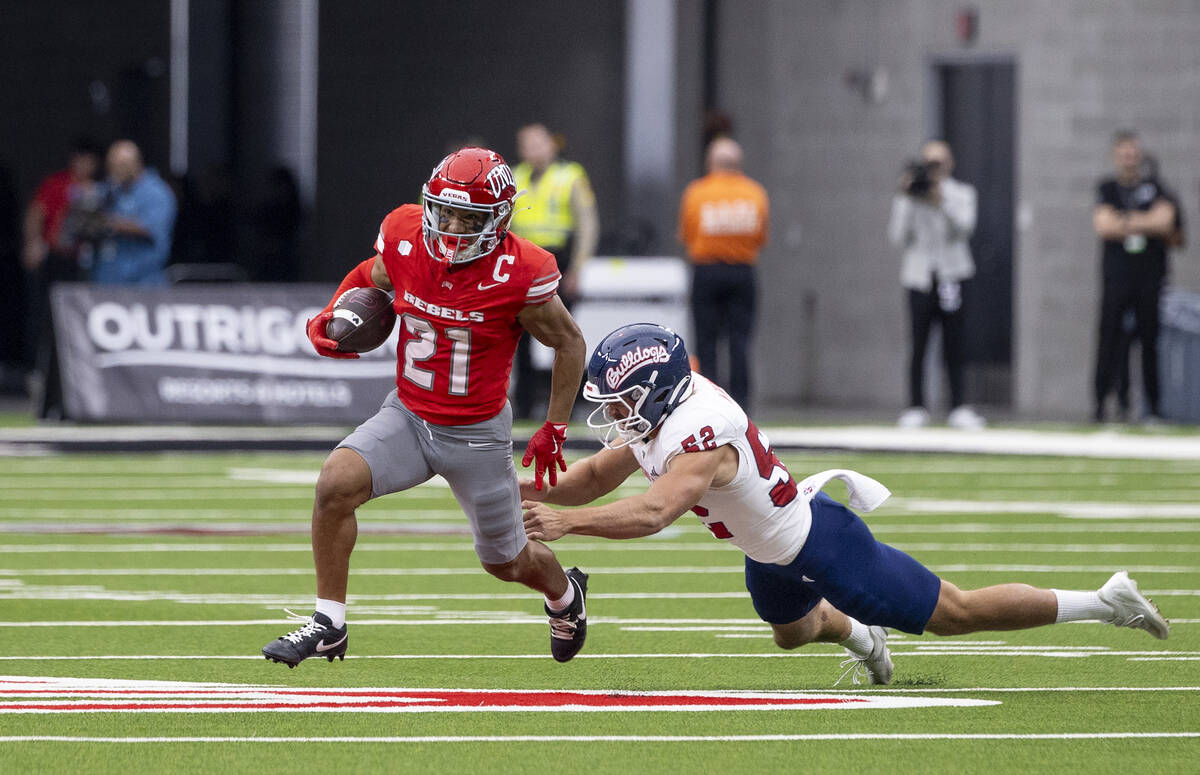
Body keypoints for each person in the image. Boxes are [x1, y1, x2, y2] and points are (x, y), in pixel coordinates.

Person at [521, 323, 1170, 686]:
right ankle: (863, 636)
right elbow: (597, 474)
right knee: (792, 632)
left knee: (956, 612)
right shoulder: (665, 416)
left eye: (620, 404)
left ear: (657, 392)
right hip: (768, 550)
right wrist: (511, 489)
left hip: (818, 541)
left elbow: (653, 512)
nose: (610, 418)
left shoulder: (701, 431)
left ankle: (1103, 599)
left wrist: (565, 523)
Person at [262, 147, 590, 668]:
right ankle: (329, 624)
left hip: (477, 434)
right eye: (447, 212)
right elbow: (373, 275)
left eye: (470, 217)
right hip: (409, 417)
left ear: (499, 219)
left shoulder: (521, 270)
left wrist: (554, 425)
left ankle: (565, 596)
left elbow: (570, 343)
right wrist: (331, 314)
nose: (455, 227)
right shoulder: (404, 234)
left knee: (507, 563)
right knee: (334, 486)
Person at [888, 140, 985, 430]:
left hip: (953, 274)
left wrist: (940, 202)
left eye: (938, 163)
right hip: (919, 277)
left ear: (949, 164)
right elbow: (897, 237)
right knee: (918, 342)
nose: (933, 170)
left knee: (956, 341)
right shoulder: (910, 196)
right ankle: (916, 405)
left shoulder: (961, 193)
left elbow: (965, 228)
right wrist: (907, 197)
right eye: (928, 163)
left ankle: (959, 406)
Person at [508, 123, 599, 419]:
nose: (532, 150)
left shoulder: (570, 176)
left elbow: (587, 225)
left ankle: (561, 408)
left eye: (538, 143)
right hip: (520, 262)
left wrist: (578, 267)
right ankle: (521, 408)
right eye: (526, 144)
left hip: (556, 261)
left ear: (552, 145)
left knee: (561, 336)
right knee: (515, 337)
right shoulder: (514, 176)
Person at [677, 137, 769, 411]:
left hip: (706, 271)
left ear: (712, 163)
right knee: (740, 341)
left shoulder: (697, 193)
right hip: (742, 271)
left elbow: (687, 235)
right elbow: (760, 237)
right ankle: (741, 403)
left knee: (706, 341)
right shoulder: (755, 193)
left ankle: (707, 404)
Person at [1096, 137, 1179, 423]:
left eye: (1133, 154)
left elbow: (1166, 222)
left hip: (1149, 278)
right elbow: (1104, 226)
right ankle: (1100, 404)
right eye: (1123, 154)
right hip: (1117, 278)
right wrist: (1146, 221)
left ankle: (1153, 407)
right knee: (1109, 340)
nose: (1129, 159)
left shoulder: (1156, 188)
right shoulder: (1108, 188)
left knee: (1149, 341)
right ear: (1115, 156)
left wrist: (1126, 221)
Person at [21, 138, 102, 418]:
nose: (83, 165)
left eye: (88, 160)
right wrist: (33, 243)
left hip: (89, 265)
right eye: (79, 159)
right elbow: (36, 212)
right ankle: (42, 384)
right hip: (58, 261)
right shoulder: (58, 184)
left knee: (81, 325)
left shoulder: (100, 190)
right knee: (50, 322)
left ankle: (77, 389)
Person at [85, 139, 177, 286]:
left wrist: (109, 223)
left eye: (121, 165)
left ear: (136, 164)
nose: (115, 170)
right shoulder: (109, 189)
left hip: (143, 280)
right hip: (107, 278)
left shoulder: (156, 192)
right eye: (112, 166)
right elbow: (86, 210)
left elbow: (151, 228)